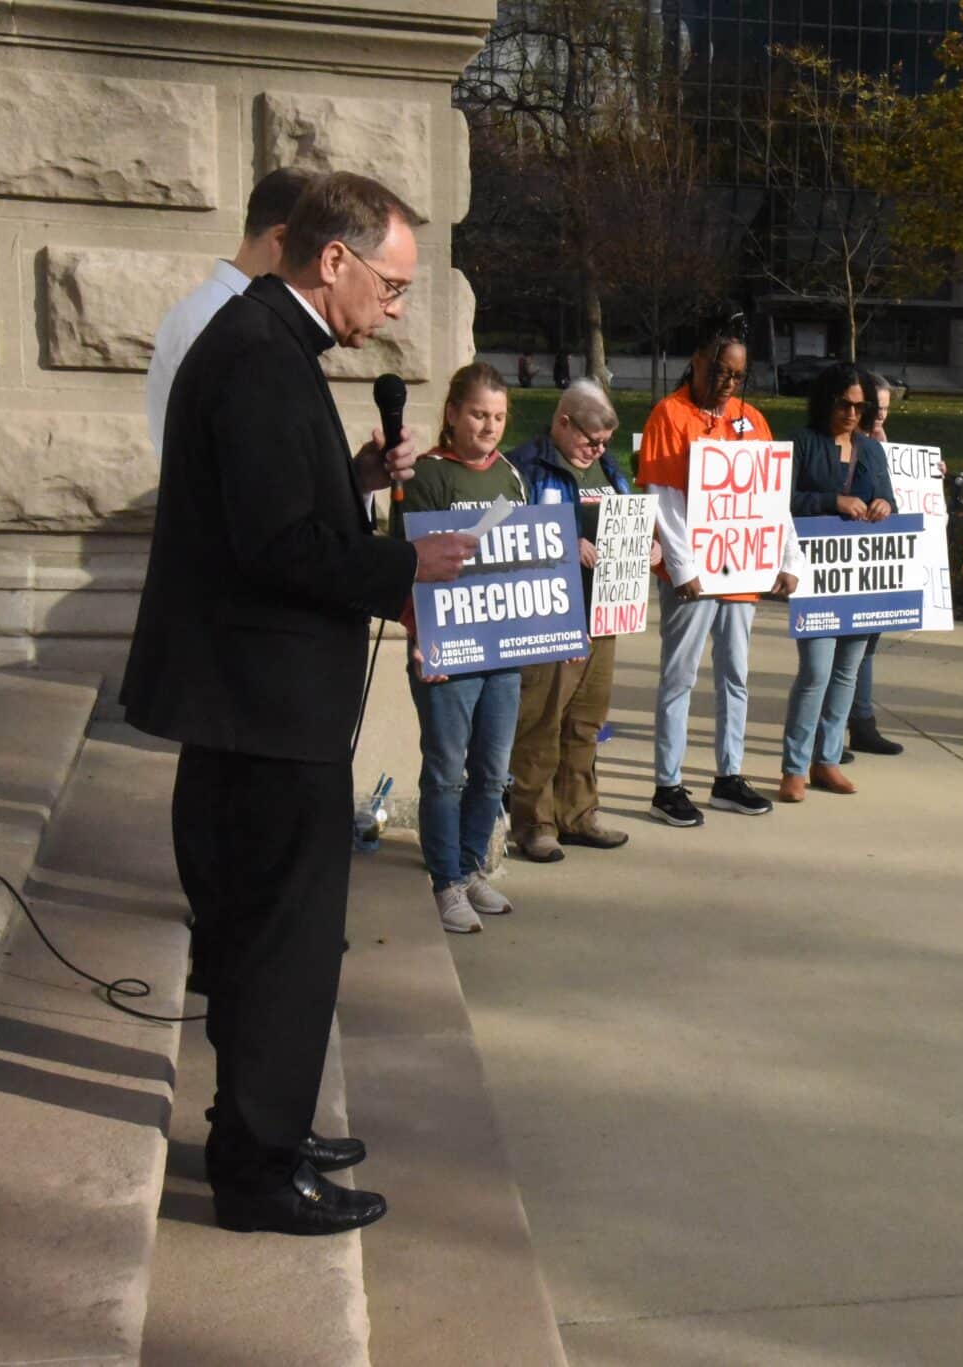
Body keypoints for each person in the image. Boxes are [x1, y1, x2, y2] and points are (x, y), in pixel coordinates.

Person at [123, 172, 475, 1236]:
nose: (398, 305)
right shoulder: (260, 360)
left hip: (256, 702)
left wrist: (356, 481)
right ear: (335, 260)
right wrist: (404, 572)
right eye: (394, 282)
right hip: (263, 710)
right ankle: (259, 1168)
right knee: (282, 940)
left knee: (265, 940)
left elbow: (268, 507)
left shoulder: (263, 347)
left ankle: (260, 1120)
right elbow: (277, 548)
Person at [639, 323, 807, 826]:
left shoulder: (751, 419)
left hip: (741, 570)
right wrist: (684, 565)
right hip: (693, 574)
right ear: (696, 361)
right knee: (680, 677)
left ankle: (728, 776)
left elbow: (769, 499)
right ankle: (668, 784)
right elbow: (663, 499)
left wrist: (788, 558)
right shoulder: (670, 416)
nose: (728, 382)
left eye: (737, 374)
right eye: (720, 370)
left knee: (735, 674)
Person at [391, 363, 527, 933]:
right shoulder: (426, 477)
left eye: (498, 416)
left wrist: (559, 629)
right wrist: (420, 640)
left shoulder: (511, 478)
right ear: (451, 413)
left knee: (492, 772)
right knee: (446, 771)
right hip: (446, 650)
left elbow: (531, 566)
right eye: (478, 414)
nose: (489, 426)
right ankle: (445, 879)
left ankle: (472, 868)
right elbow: (403, 567)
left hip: (502, 653)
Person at [505, 380, 647, 858]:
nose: (599, 448)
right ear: (563, 422)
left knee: (586, 722)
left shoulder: (607, 467)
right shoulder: (526, 466)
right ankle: (534, 821)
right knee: (542, 722)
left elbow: (626, 517)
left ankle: (578, 813)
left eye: (606, 441)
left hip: (602, 611)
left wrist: (644, 544)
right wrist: (561, 542)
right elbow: (507, 533)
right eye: (591, 439)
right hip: (551, 614)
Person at [779, 363, 896, 801]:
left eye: (859, 406)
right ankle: (794, 766)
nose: (851, 413)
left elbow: (891, 499)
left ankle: (827, 760)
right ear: (826, 400)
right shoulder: (802, 443)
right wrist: (834, 501)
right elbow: (784, 499)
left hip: (862, 575)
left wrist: (884, 503)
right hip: (816, 571)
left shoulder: (871, 450)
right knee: (815, 671)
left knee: (847, 671)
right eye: (844, 404)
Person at [144, 166, 318, 459]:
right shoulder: (225, 324)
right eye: (321, 255)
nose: (327, 275)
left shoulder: (212, 312)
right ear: (281, 241)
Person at [848, 369, 907, 756]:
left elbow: (893, 498)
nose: (881, 414)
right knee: (841, 651)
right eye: (877, 407)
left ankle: (862, 721)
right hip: (844, 559)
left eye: (887, 408)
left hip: (874, 561)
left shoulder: (884, 447)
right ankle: (836, 727)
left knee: (868, 646)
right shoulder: (849, 446)